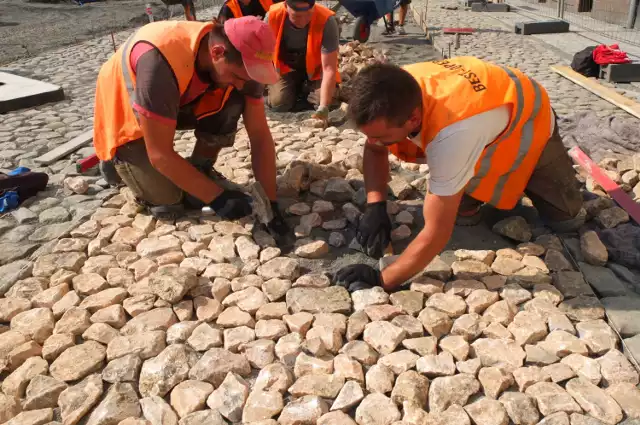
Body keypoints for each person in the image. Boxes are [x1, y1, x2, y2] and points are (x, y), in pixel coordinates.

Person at [334, 57, 586, 292]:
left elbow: (437, 231)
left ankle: (540, 185)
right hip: (481, 120)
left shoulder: (452, 136)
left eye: (381, 137)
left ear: (412, 119)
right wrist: (375, 205)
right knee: (461, 211)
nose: (375, 142)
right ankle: (484, 183)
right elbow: (374, 149)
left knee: (566, 221)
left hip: (529, 116)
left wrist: (384, 278)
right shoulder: (393, 89)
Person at [93, 17, 288, 238]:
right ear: (217, 53)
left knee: (234, 96)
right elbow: (159, 154)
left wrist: (270, 202)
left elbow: (260, 136)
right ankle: (117, 161)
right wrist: (218, 199)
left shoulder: (242, 66)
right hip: (128, 111)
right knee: (169, 204)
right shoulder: (159, 64)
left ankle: (199, 168)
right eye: (237, 76)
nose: (244, 84)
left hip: (177, 97)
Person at [266, 0, 341, 124]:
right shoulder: (273, 16)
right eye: (297, 16)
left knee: (327, 101)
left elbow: (329, 69)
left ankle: (309, 89)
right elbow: (262, 54)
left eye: (308, 15)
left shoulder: (327, 20)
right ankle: (295, 88)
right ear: (286, 7)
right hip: (286, 67)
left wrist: (323, 108)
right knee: (279, 104)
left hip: (316, 70)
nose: (303, 20)